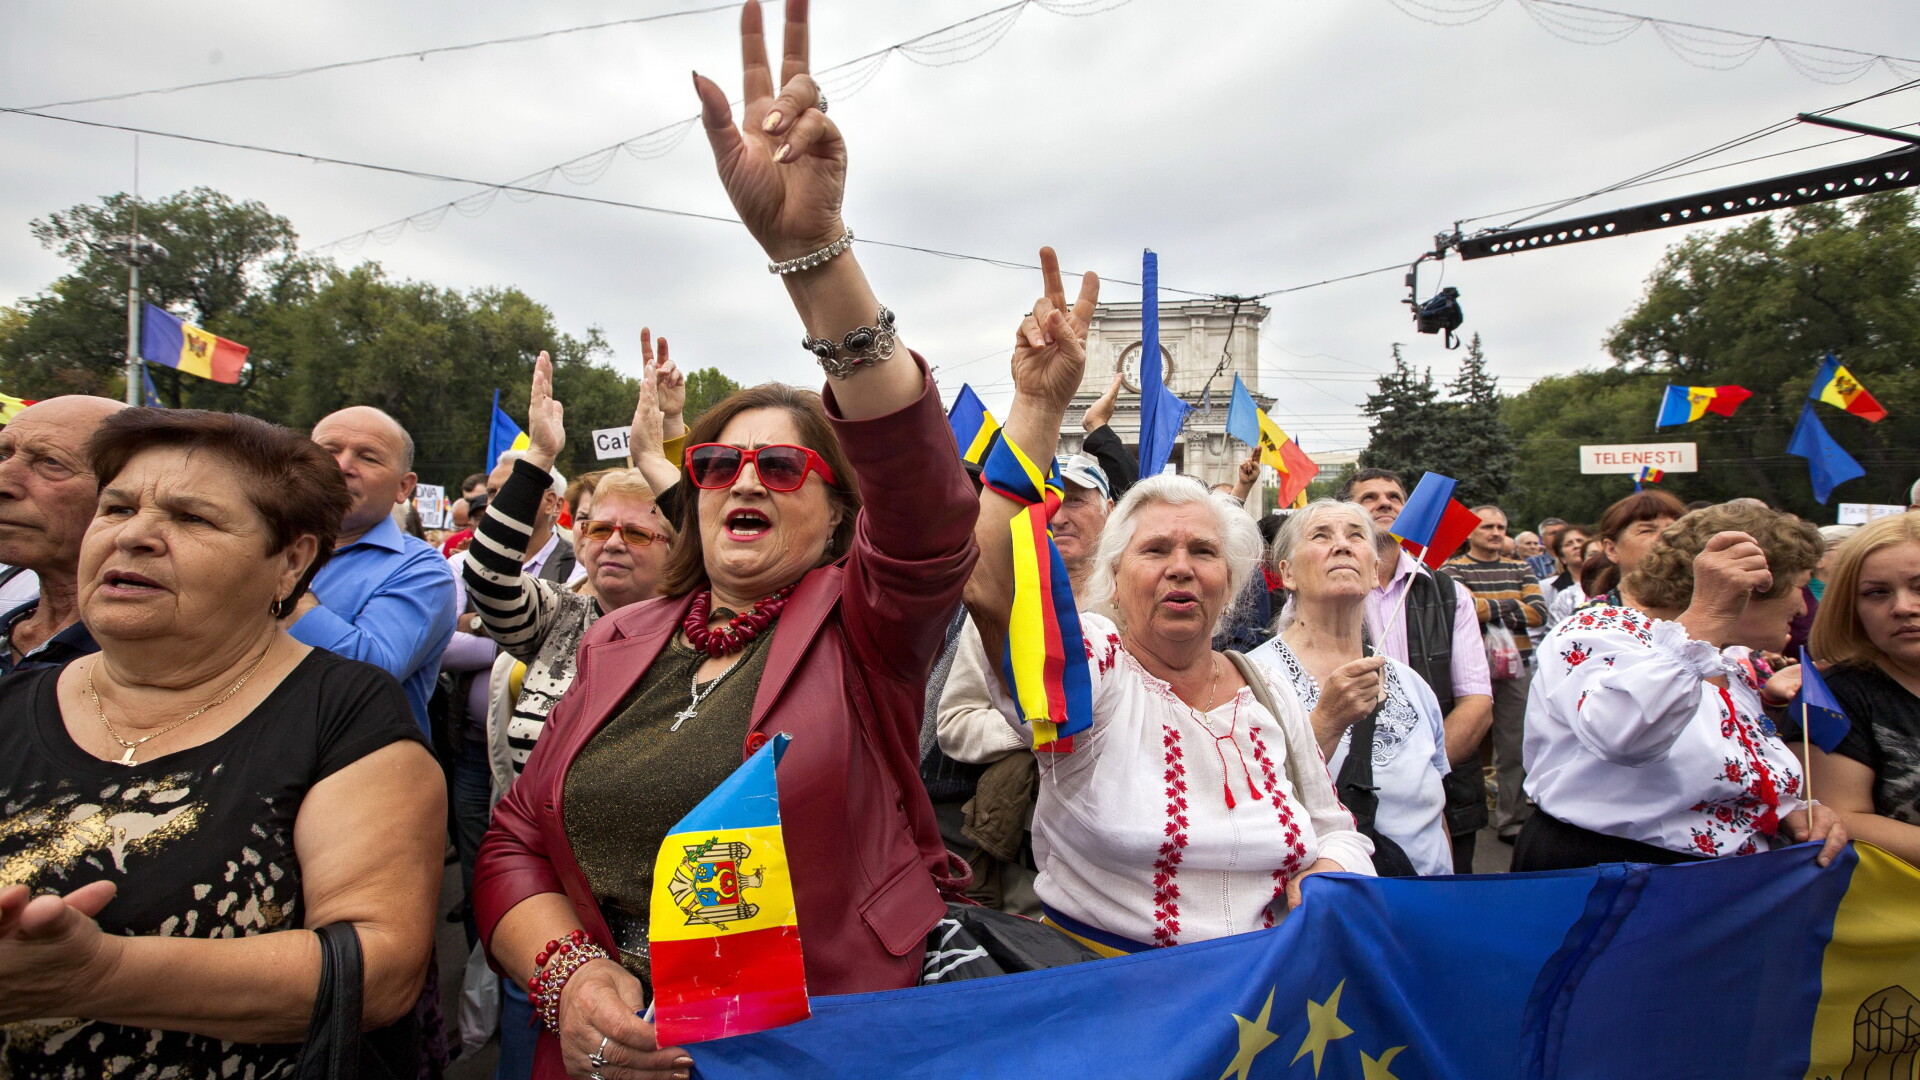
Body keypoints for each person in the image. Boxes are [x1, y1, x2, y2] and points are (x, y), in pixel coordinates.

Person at [474, 10, 978, 1075]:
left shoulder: (868, 629)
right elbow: (515, 838)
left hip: (821, 1044)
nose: (741, 478)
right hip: (606, 1054)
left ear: (839, 511)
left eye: (781, 465)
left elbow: (929, 506)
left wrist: (811, 260)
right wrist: (569, 976)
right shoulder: (620, 640)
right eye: (715, 464)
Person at [0, 408, 443, 1078]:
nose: (136, 536)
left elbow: (377, 972)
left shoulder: (343, 714)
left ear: (291, 561)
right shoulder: (13, 702)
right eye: (116, 508)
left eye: (192, 518)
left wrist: (103, 975)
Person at [966, 247, 1373, 956]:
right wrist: (1035, 407)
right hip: (1112, 996)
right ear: (1115, 575)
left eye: (1203, 552)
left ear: (1234, 578)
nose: (1181, 568)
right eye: (1156, 551)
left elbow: (1334, 824)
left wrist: (1327, 873)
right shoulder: (1096, 664)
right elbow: (991, 584)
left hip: (1259, 1000)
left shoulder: (1267, 685)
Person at [1515, 502, 1844, 870]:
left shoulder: (1725, 660)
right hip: (1611, 880)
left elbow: (1711, 780)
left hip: (1710, 887)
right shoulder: (1598, 631)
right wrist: (1709, 614)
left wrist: (1785, 811)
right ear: (1748, 587)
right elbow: (1627, 735)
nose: (1804, 607)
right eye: (1801, 587)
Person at [934, 452, 1112, 913]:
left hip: (1116, 864)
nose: (1060, 513)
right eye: (1051, 500)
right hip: (1019, 873)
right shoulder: (1003, 603)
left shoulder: (1136, 602)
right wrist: (1046, 725)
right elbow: (955, 723)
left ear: (1109, 511)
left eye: (1075, 500)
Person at [1249, 501, 1452, 876]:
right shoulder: (1252, 680)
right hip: (1326, 912)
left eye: (1356, 536)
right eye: (1320, 535)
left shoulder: (1413, 685)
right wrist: (1326, 721)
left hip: (1427, 915)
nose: (1342, 546)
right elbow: (1243, 809)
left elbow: (1435, 817)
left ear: (1375, 572)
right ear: (1287, 573)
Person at [1339, 468, 1493, 873]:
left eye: (1394, 496)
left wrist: (1419, 770)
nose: (1384, 502)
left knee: (1446, 921)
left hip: (1443, 798)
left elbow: (1477, 702)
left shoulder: (1448, 594)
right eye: (1369, 497)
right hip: (1346, 805)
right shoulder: (1326, 589)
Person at [294, 406, 458, 735]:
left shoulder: (421, 571)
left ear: (404, 487)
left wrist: (289, 593)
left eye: (368, 457)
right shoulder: (256, 543)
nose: (342, 467)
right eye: (329, 451)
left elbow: (370, 671)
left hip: (351, 771)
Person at [1791, 514, 1920, 866]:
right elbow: (1836, 816)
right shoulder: (1834, 698)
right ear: (1851, 607)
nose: (1903, 607)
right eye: (1876, 592)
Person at [0, 396, 127, 675]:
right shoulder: (10, 628)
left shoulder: (156, 662)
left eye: (50, 462)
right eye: (3, 455)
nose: (3, 482)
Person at [1443, 505, 1547, 843]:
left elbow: (1539, 613)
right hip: (1470, 668)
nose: (1497, 532)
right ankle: (1462, 813)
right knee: (1464, 743)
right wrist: (1512, 605)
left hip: (1517, 667)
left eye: (1502, 526)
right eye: (1488, 526)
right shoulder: (1454, 569)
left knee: (1515, 745)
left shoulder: (1521, 567)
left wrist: (1487, 607)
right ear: (1470, 532)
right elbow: (1462, 607)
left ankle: (1511, 819)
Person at [1586, 490, 1686, 609]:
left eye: (1673, 529)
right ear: (1611, 550)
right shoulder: (1593, 619)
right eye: (1647, 530)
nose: (1664, 536)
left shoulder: (1706, 606)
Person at [1540, 524, 1592, 628]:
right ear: (1561, 557)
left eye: (1580, 541)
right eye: (1568, 544)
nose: (1576, 546)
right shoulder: (1547, 587)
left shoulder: (1610, 582)